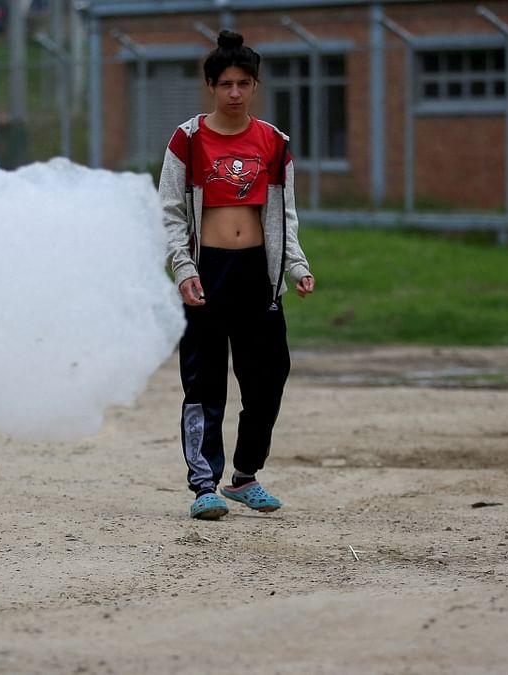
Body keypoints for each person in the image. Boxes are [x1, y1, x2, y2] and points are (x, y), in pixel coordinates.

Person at [158, 30, 315, 520]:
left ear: (254, 86)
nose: (234, 93)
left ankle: (245, 476)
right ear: (210, 85)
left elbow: (285, 214)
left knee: (268, 378)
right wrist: (182, 268)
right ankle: (203, 484)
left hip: (256, 275)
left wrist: (296, 264)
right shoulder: (188, 140)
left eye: (243, 83)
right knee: (204, 384)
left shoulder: (273, 142)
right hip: (207, 273)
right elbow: (170, 213)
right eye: (225, 83)